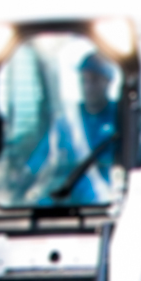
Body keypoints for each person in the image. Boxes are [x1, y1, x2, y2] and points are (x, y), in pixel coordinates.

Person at [29, 51, 120, 205]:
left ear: (108, 82)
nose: (88, 86)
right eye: (84, 80)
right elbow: (42, 159)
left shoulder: (120, 117)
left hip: (107, 199)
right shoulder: (68, 120)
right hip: (69, 195)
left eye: (94, 80)